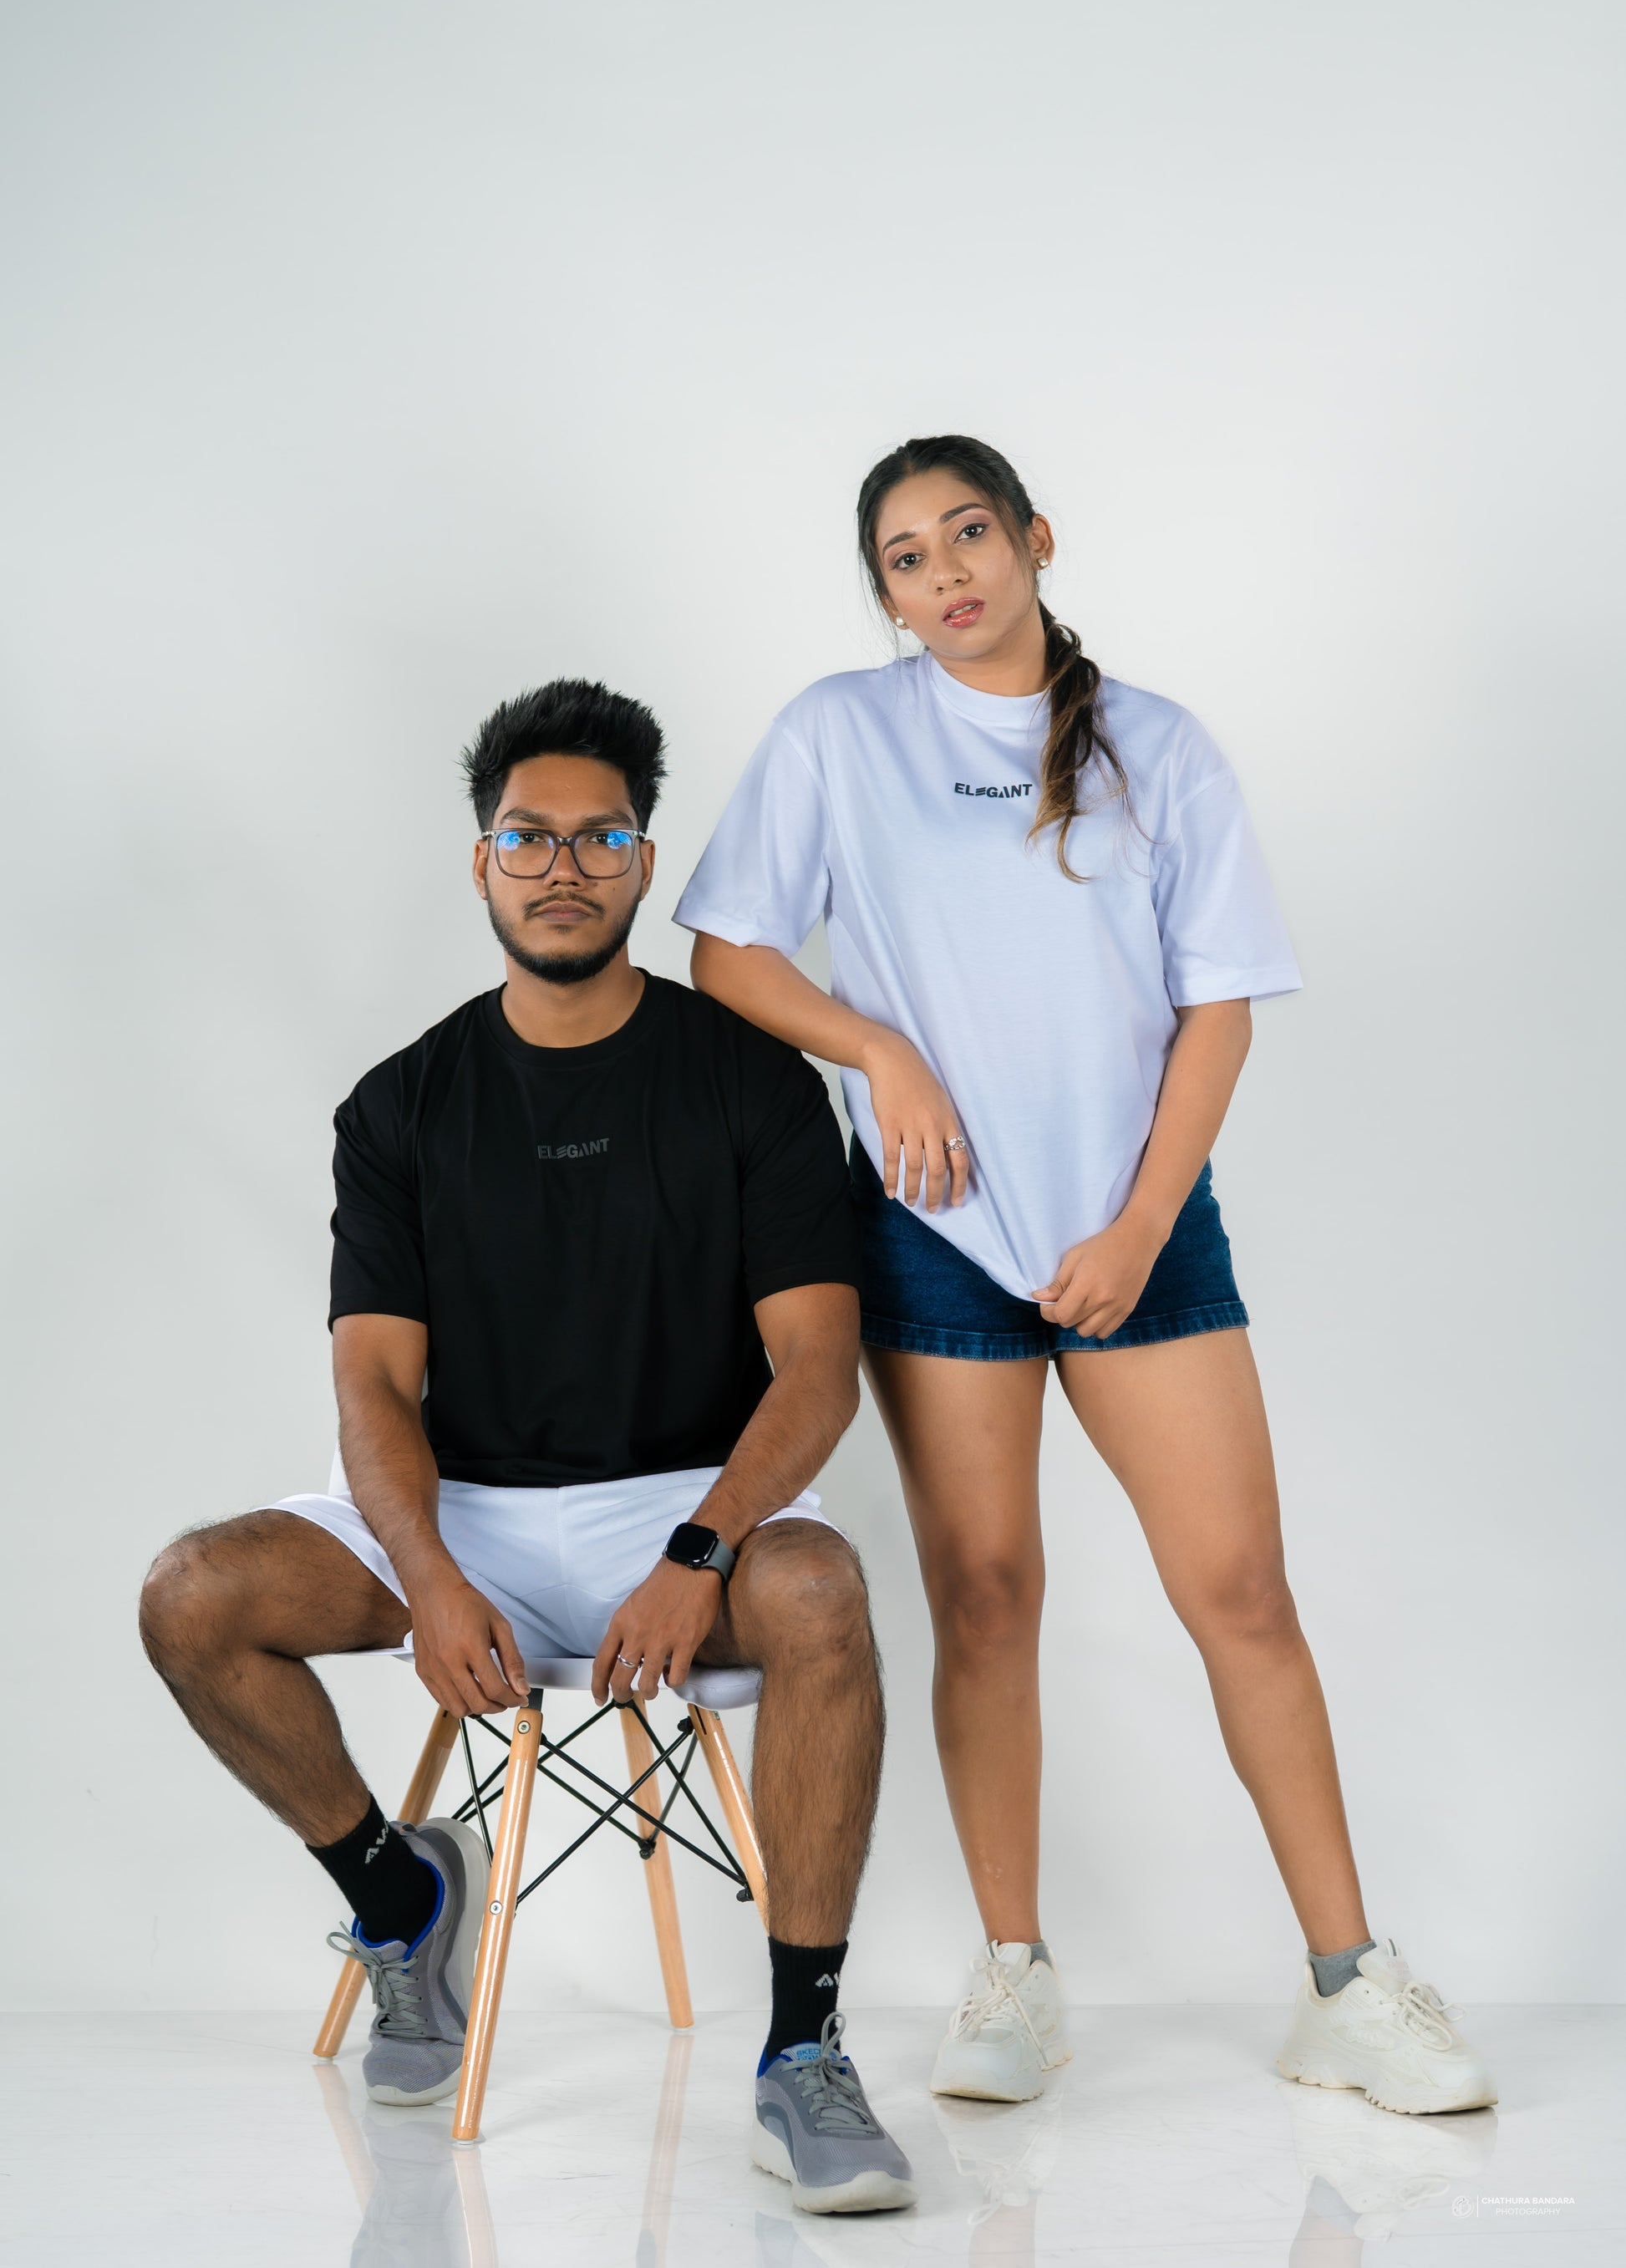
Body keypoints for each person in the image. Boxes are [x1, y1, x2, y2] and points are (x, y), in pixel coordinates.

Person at [675, 435, 1496, 2117]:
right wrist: (878, 1048)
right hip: (932, 1226)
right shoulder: (841, 733)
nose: (945, 575)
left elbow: (1217, 1006)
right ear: (884, 594)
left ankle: (1349, 1980)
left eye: (968, 533)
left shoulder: (1156, 746)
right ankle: (1014, 1971)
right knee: (985, 1595)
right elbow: (728, 951)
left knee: (1240, 1592)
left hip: (1141, 1225)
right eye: (905, 558)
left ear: (1036, 538)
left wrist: (1134, 1227)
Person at [140, 678, 917, 2215]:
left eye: (600, 837)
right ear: (483, 860)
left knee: (823, 1592)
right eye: (529, 836)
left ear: (643, 860)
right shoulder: (402, 1104)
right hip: (468, 1510)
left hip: (688, 1502)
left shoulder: (752, 1080)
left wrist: (701, 1548)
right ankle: (399, 1896)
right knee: (193, 1592)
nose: (564, 866)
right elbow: (374, 1384)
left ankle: (803, 2051)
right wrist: (428, 1571)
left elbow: (818, 1369)